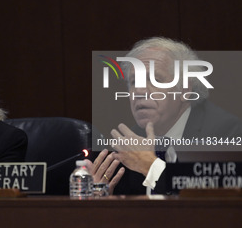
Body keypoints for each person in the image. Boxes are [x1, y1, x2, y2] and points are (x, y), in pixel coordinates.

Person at [87, 37, 242, 195]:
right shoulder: (130, 142)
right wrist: (103, 198)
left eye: (155, 79)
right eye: (134, 82)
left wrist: (150, 167)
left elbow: (211, 205)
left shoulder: (225, 132)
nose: (139, 92)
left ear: (184, 91)